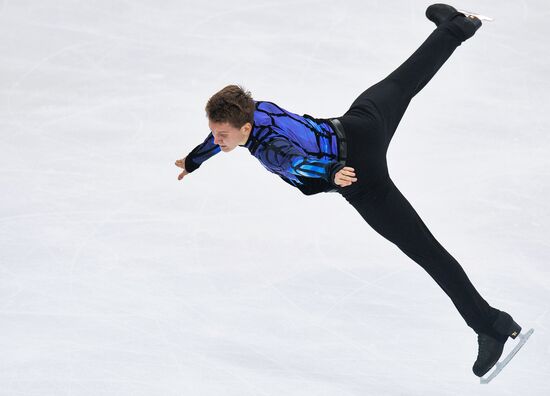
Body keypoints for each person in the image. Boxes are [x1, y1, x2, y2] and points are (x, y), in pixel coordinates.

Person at [175, 4, 522, 377]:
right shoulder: (251, 109)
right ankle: (458, 26)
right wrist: (196, 158)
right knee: (403, 83)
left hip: (359, 175)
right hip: (359, 125)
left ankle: (491, 325)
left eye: (222, 135)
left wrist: (333, 171)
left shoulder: (267, 148)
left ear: (245, 129)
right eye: (215, 133)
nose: (217, 140)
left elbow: (296, 163)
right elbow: (227, 135)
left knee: (426, 251)